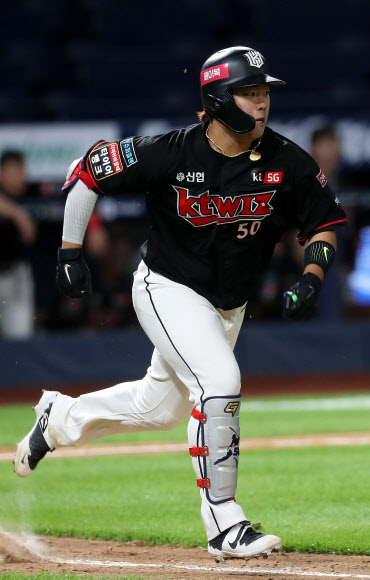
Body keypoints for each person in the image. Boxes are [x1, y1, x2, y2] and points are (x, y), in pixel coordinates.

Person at [14, 46, 346, 561]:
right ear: (219, 100)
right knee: (220, 383)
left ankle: (59, 419)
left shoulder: (286, 160)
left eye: (264, 92)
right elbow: (87, 173)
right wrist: (69, 252)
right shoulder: (170, 151)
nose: (262, 102)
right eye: (249, 92)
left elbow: (323, 222)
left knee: (158, 407)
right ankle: (224, 523)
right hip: (167, 288)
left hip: (227, 304)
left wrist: (311, 277)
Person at [0, 151, 36, 338]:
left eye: (21, 173)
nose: (19, 178)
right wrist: (17, 214)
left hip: (16, 273)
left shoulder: (33, 192)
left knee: (19, 338)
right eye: (13, 172)